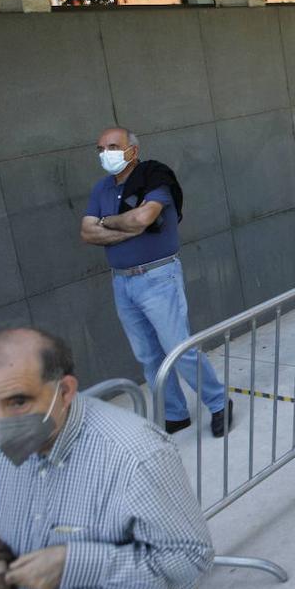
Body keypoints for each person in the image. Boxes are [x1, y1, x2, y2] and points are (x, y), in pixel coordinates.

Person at [0, 327, 214, 589]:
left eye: (18, 401)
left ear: (66, 390)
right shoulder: (0, 459)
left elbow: (191, 557)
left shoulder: (137, 455)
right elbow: (1, 531)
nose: (1, 424)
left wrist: (75, 564)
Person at [80, 128, 232, 437]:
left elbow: (142, 219)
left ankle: (218, 403)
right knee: (148, 355)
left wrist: (107, 222)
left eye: (112, 146)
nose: (104, 153)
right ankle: (175, 412)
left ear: (132, 151)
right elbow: (86, 232)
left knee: (180, 349)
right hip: (122, 283)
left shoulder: (155, 179)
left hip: (158, 278)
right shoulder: (101, 189)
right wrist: (124, 226)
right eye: (100, 148)